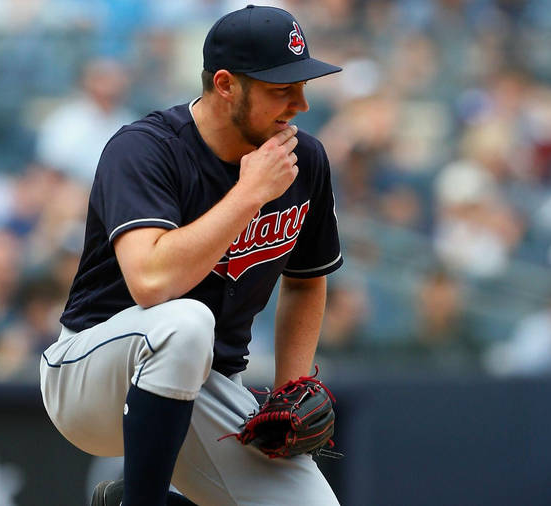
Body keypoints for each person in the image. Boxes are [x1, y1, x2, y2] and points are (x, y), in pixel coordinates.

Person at [39, 6, 343, 506]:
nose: (301, 104)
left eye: (302, 85)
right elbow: (151, 283)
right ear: (225, 85)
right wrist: (249, 195)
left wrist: (293, 385)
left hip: (204, 386)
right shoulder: (144, 149)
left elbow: (307, 279)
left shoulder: (303, 160)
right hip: (92, 374)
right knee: (185, 323)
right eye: (280, 89)